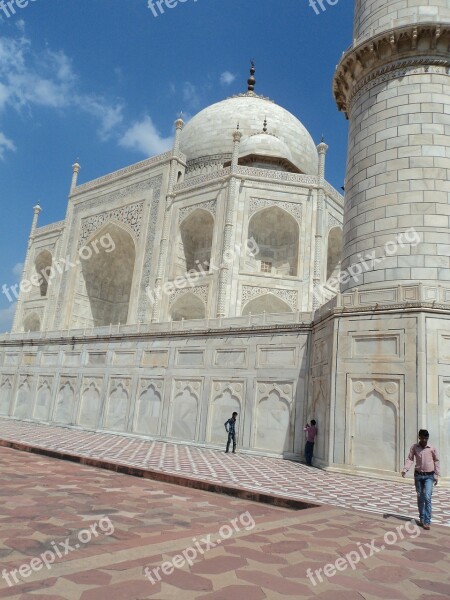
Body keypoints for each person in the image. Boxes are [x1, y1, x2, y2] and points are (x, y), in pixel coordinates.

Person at [402, 429, 439, 530]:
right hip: (418, 476)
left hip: (429, 476)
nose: (424, 440)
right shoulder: (414, 447)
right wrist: (405, 469)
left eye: (426, 438)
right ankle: (422, 517)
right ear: (419, 437)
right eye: (422, 438)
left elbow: (436, 461)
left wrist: (436, 475)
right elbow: (410, 459)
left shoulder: (431, 448)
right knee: (420, 497)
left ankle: (427, 521)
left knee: (427, 497)